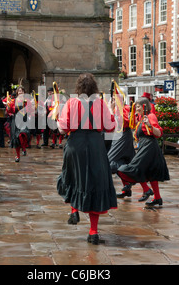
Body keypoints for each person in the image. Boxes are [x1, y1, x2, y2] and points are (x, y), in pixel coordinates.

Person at [56, 73, 117, 245]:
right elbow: (111, 126)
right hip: (95, 144)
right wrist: (111, 110)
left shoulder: (71, 102)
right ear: (94, 87)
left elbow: (62, 129)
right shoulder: (101, 103)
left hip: (75, 143)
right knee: (95, 184)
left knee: (73, 177)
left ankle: (74, 209)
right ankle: (93, 232)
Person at [117, 97, 170, 207]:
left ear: (144, 106)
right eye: (136, 106)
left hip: (150, 147)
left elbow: (159, 133)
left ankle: (147, 190)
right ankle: (157, 198)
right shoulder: (141, 118)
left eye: (138, 106)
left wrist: (150, 125)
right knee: (150, 173)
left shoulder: (151, 116)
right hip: (145, 147)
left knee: (134, 168)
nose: (136, 108)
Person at [7, 85, 32, 162]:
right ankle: (17, 156)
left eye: (22, 91)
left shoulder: (27, 100)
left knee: (23, 134)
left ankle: (23, 148)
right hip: (16, 120)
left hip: (24, 119)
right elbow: (10, 111)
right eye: (19, 91)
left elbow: (30, 109)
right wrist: (8, 108)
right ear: (17, 92)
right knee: (16, 139)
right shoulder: (13, 101)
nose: (20, 92)